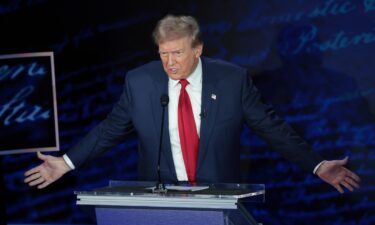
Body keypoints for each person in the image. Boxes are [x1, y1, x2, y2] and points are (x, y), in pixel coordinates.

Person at [24, 15, 360, 194]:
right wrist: (66, 163)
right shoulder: (140, 82)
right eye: (163, 53)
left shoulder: (232, 80)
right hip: (159, 204)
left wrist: (317, 166)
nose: (169, 62)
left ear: (197, 49)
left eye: (178, 53)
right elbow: (110, 129)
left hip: (219, 199)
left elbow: (273, 129)